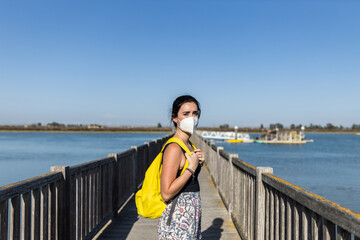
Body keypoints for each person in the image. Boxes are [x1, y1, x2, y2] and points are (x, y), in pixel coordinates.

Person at [158, 95, 206, 239]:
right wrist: (191, 168)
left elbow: (186, 178)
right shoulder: (174, 148)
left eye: (195, 113)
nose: (192, 118)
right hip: (178, 220)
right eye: (186, 114)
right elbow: (166, 193)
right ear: (175, 118)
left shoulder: (188, 145)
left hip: (190, 217)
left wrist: (198, 165)